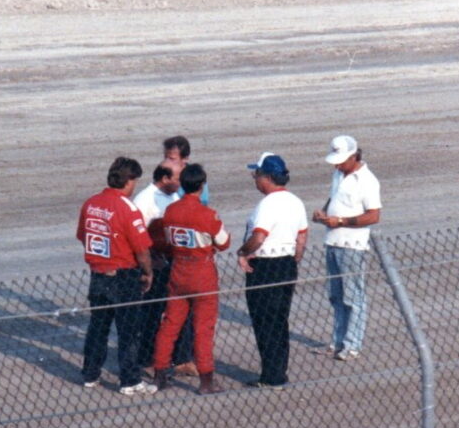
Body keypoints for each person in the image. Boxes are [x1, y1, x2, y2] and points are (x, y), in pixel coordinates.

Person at [77, 157, 158, 396]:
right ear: (129, 181)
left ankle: (90, 374)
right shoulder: (126, 207)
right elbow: (142, 249)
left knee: (98, 327)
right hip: (124, 274)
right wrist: (148, 272)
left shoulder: (91, 203)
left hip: (98, 273)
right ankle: (130, 381)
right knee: (129, 331)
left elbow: (83, 235)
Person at [151, 164, 231, 394]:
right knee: (203, 328)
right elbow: (224, 242)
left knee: (170, 324)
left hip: (178, 270)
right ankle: (206, 381)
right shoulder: (207, 214)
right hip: (202, 272)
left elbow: (166, 240)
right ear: (202, 185)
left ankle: (159, 374)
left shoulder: (171, 211)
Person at [236, 153, 308, 389]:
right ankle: (278, 370)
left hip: (266, 265)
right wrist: (295, 258)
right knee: (279, 319)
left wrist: (243, 252)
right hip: (286, 264)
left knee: (264, 320)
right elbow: (302, 235)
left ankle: (271, 375)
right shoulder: (295, 201)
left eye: (256, 174)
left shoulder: (267, 204)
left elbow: (258, 237)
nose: (254, 179)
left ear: (267, 177)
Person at [311, 136, 382, 361]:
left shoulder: (368, 181)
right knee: (336, 295)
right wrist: (324, 214)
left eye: (341, 161)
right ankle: (337, 341)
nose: (337, 165)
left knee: (353, 296)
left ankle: (352, 345)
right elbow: (334, 199)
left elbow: (373, 216)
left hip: (352, 245)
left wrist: (340, 221)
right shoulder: (338, 174)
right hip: (332, 241)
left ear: (354, 156)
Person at [132, 163, 192, 374]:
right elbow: (137, 236)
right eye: (177, 178)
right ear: (165, 179)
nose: (181, 182)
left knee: (180, 309)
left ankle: (181, 358)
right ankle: (146, 360)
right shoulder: (145, 200)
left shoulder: (173, 196)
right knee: (150, 314)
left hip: (172, 262)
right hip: (154, 265)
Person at [162, 135, 210, 205]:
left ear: (185, 159)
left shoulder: (196, 176)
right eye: (165, 158)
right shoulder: (162, 175)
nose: (167, 162)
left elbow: (203, 201)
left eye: (171, 159)